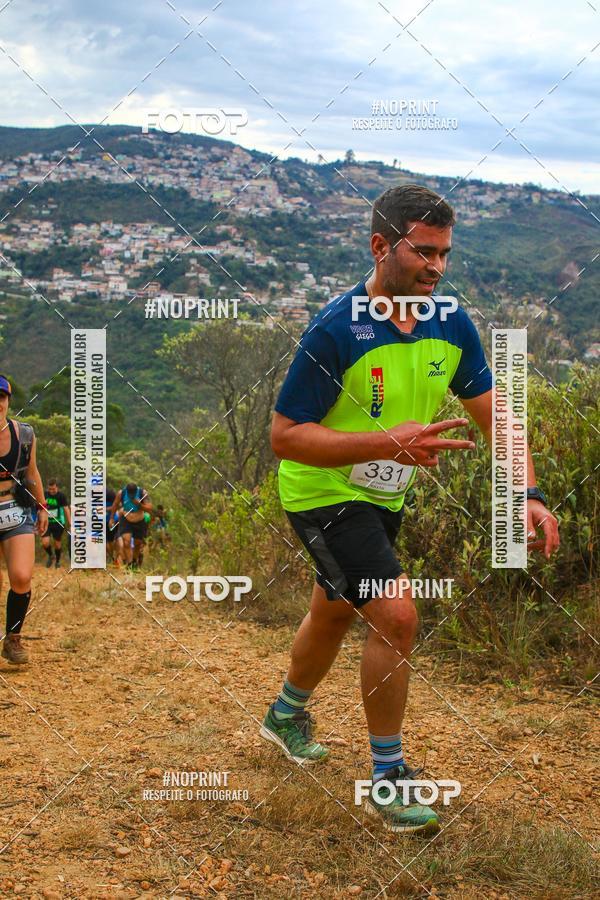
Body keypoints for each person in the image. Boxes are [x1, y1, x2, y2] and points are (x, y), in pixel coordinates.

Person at [260, 184, 560, 834]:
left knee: (335, 611)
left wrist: (527, 493)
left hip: (381, 497)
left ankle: (286, 713)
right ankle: (388, 776)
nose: (437, 267)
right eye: (424, 252)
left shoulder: (450, 323)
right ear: (380, 246)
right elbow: (285, 435)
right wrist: (385, 441)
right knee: (395, 613)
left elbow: (498, 418)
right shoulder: (337, 329)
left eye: (445, 254)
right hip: (321, 492)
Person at [0, 375, 48, 665]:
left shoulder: (25, 435)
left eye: (1, 398)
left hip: (15, 509)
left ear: (7, 401)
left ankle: (13, 638)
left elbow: (31, 473)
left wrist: (42, 506)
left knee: (21, 576)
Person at [109, 483, 152, 569]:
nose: (131, 496)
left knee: (137, 543)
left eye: (133, 493)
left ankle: (135, 561)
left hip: (139, 520)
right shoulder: (121, 493)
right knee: (126, 541)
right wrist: (112, 518)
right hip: (126, 519)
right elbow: (115, 505)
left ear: (136, 491)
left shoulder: (142, 493)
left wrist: (139, 505)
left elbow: (149, 508)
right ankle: (129, 563)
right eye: (130, 494)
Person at [41, 478, 71, 568]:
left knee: (57, 544)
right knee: (45, 542)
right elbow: (40, 507)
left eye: (53, 489)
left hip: (58, 522)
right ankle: (51, 555)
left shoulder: (61, 496)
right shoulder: (45, 494)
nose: (51, 491)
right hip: (47, 522)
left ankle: (57, 561)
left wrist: (70, 523)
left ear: (57, 487)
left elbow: (66, 509)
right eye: (50, 489)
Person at [105, 486, 117, 564]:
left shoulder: (110, 493)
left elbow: (117, 506)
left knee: (110, 540)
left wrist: (105, 509)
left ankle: (111, 556)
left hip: (109, 520)